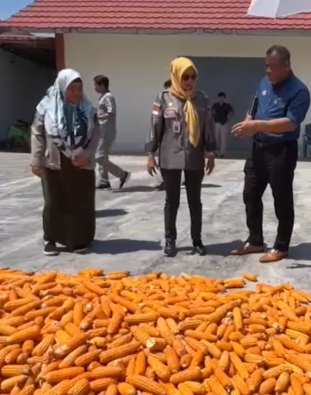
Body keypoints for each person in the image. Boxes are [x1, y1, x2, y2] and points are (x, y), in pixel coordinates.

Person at [229, 45, 310, 263]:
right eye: (266, 66)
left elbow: (289, 124)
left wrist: (257, 125)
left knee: (281, 199)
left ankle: (281, 246)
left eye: (273, 67)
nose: (268, 71)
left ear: (286, 66)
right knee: (250, 194)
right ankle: (255, 240)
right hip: (258, 149)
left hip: (281, 151)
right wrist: (248, 120)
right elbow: (254, 104)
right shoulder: (264, 82)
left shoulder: (299, 90)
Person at [145, 58, 216, 257]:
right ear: (176, 76)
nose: (189, 81)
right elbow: (155, 127)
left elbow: (207, 128)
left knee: (195, 201)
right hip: (170, 156)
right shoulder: (163, 98)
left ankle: (197, 239)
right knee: (172, 201)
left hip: (194, 156)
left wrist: (210, 152)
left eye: (193, 77)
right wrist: (151, 154)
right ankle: (170, 240)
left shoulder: (202, 99)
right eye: (185, 76)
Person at [30, 69, 101, 256]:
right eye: (71, 88)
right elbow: (37, 133)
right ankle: (50, 239)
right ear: (62, 87)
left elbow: (96, 133)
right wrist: (36, 160)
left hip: (81, 161)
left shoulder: (88, 107)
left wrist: (89, 153)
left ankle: (79, 239)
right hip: (54, 161)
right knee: (54, 201)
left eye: (79, 88)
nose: (76, 92)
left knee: (81, 201)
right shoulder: (46, 106)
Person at [93, 75, 131, 190]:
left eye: (96, 85)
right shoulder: (102, 97)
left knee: (99, 157)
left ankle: (122, 174)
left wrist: (97, 117)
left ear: (102, 85)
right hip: (101, 131)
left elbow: (111, 113)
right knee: (101, 157)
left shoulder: (108, 97)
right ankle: (104, 181)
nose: (94, 87)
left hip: (107, 132)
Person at [211, 92, 234, 158]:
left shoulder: (227, 106)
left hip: (224, 123)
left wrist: (228, 118)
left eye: (222, 98)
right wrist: (214, 118)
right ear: (218, 98)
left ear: (224, 98)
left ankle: (222, 153)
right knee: (216, 138)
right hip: (217, 123)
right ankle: (215, 152)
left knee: (223, 139)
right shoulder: (215, 105)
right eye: (220, 98)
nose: (221, 99)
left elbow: (231, 112)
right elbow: (212, 112)